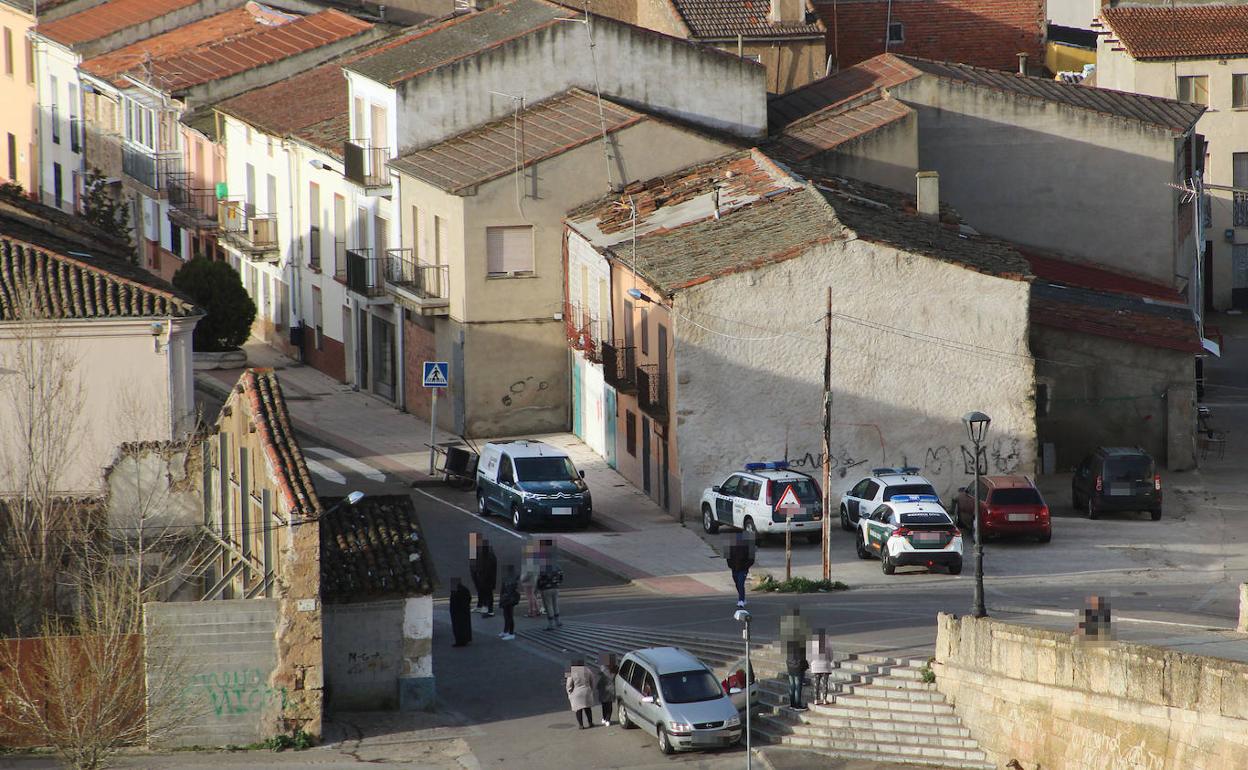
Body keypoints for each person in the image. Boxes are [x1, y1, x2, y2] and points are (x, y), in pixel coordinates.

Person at [537, 539, 563, 630]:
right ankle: (558, 621)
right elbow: (560, 573)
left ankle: (551, 624)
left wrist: (538, 587)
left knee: (548, 605)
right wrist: (558, 582)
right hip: (555, 586)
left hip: (546, 588)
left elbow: (539, 576)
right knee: (555, 604)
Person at [468, 533, 497, 617]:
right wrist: (474, 572)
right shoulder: (475, 549)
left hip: (485, 575)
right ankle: (480, 605)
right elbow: (472, 561)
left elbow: (488, 564)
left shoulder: (486, 551)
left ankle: (489, 609)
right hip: (478, 574)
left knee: (487, 591)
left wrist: (481, 574)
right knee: (480, 590)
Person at [726, 531, 756, 608]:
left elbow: (751, 559)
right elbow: (728, 556)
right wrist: (731, 565)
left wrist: (746, 566)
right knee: (737, 583)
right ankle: (742, 597)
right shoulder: (731, 545)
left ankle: (741, 600)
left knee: (740, 583)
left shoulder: (748, 546)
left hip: (743, 568)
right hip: (734, 568)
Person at [566, 658, 599, 729]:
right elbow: (592, 680)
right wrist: (591, 689)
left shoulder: (571, 671)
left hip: (576, 693)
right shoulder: (587, 670)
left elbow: (569, 684)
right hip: (586, 691)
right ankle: (590, 723)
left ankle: (581, 725)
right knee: (588, 709)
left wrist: (569, 692)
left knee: (578, 710)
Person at [808, 629, 833, 705]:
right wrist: (828, 661)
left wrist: (811, 663)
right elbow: (831, 656)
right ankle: (824, 699)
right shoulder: (827, 644)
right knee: (825, 683)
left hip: (815, 666)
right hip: (825, 665)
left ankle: (816, 699)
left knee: (816, 683)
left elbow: (809, 657)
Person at [519, 542, 542, 617]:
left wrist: (522, 578)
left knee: (530, 597)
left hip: (528, 581)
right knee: (533, 595)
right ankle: (537, 610)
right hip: (533, 580)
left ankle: (531, 611)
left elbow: (528, 572)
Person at [448, 577, 472, 647]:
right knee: (464, 626)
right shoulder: (464, 589)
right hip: (464, 611)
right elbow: (469, 598)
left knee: (458, 627)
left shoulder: (455, 591)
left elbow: (454, 601)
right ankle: (465, 639)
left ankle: (460, 641)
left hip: (457, 611)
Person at [498, 564, 520, 640]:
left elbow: (512, 589)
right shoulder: (507, 578)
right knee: (507, 615)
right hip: (507, 599)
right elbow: (503, 589)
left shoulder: (513, 579)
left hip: (509, 599)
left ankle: (511, 633)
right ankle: (506, 631)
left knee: (509, 616)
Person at [785, 638, 808, 711]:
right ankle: (797, 705)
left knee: (792, 686)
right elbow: (802, 657)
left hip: (790, 666)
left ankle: (792, 704)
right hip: (797, 666)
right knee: (798, 686)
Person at [597, 653, 618, 726]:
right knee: (609, 705)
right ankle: (608, 719)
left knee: (604, 704)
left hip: (603, 689)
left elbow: (599, 678)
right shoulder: (615, 669)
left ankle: (604, 718)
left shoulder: (602, 668)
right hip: (611, 689)